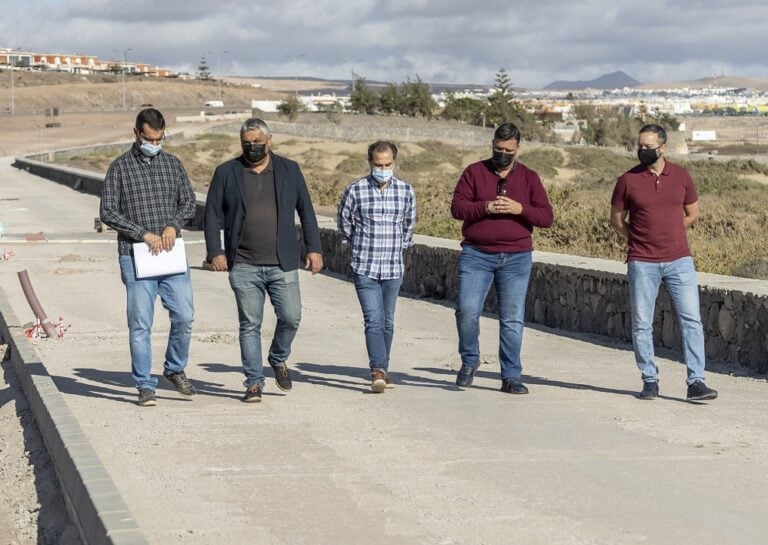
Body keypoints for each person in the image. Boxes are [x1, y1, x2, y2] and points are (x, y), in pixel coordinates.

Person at [204, 118, 324, 403]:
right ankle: (254, 382)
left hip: (282, 262)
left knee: (291, 317)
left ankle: (278, 356)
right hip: (243, 263)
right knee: (249, 324)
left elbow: (306, 211)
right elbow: (211, 215)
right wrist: (216, 252)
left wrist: (314, 248)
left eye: (258, 142)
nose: (253, 147)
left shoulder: (289, 170)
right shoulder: (226, 173)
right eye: (247, 143)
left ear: (270, 141)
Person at [610, 124, 718, 402]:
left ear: (662, 147)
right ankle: (649, 380)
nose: (643, 151)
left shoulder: (681, 176)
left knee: (691, 320)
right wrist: (637, 239)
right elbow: (616, 220)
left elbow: (693, 214)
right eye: (640, 146)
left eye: (648, 146)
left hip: (679, 261)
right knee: (642, 323)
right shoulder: (627, 180)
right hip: (642, 262)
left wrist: (673, 232)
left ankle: (696, 382)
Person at [100, 108, 197, 407]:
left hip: (170, 256)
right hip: (135, 256)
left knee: (184, 315)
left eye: (159, 138)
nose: (154, 143)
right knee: (141, 324)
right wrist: (143, 233)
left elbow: (189, 201)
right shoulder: (119, 168)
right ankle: (144, 385)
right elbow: (108, 211)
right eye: (149, 138)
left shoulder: (173, 164)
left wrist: (173, 225)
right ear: (136, 134)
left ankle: (174, 367)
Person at [451, 122, 553, 394]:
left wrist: (520, 209)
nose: (503, 154)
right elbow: (457, 208)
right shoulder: (474, 172)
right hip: (477, 255)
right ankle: (470, 361)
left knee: (512, 318)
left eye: (509, 150)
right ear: (492, 145)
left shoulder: (529, 178)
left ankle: (510, 376)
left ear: (518, 149)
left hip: (517, 257)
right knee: (467, 310)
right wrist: (485, 207)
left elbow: (546, 217)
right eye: (498, 148)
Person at [337, 141, 416, 393]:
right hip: (365, 266)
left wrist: (398, 247)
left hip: (393, 267)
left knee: (388, 321)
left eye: (388, 164)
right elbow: (344, 222)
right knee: (373, 319)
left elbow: (408, 227)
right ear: (370, 162)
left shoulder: (406, 191)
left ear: (394, 162)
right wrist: (357, 243)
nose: (383, 168)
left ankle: (384, 367)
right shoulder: (355, 190)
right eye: (379, 164)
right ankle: (378, 370)